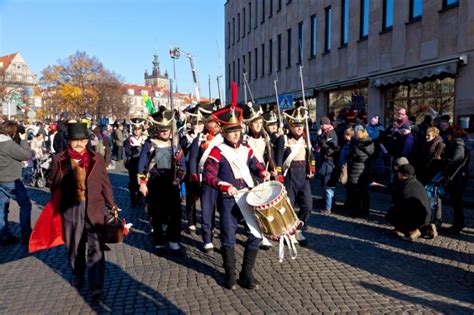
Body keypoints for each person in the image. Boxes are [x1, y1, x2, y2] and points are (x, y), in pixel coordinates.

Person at [202, 104, 269, 290]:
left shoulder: (246, 149)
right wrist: (223, 185)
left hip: (248, 197)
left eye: (238, 131)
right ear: (223, 132)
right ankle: (230, 274)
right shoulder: (217, 151)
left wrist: (263, 173)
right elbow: (208, 176)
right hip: (228, 199)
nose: (235, 135)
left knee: (255, 234)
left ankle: (246, 274)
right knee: (228, 237)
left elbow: (256, 165)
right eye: (231, 131)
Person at [48, 122, 117, 299]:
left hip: (94, 207)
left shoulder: (97, 158)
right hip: (71, 208)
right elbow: (52, 185)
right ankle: (78, 274)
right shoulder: (59, 159)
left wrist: (112, 204)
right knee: (75, 246)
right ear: (69, 141)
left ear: (87, 141)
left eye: (82, 140)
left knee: (96, 246)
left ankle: (96, 284)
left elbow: (105, 183)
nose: (79, 144)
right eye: (75, 140)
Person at [137, 110, 186, 252]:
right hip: (155, 182)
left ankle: (174, 240)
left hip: (172, 182)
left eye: (167, 130)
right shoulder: (150, 144)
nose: (165, 132)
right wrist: (142, 184)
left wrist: (178, 179)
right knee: (156, 212)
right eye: (162, 130)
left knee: (175, 213)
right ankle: (159, 239)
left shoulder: (175, 145)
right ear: (157, 130)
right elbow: (141, 166)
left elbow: (182, 166)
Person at [276, 105, 316, 245]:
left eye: (301, 126)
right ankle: (290, 232)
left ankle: (299, 227)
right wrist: (279, 174)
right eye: (296, 126)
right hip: (290, 174)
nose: (299, 128)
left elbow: (312, 156)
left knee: (308, 205)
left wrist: (312, 168)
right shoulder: (284, 139)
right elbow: (279, 158)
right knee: (290, 205)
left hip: (303, 174)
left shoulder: (307, 139)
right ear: (291, 126)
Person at [188, 103, 222, 252]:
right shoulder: (199, 139)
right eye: (210, 122)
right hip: (207, 179)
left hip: (223, 179)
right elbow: (193, 160)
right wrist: (194, 177)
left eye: (216, 122)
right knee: (207, 209)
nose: (213, 125)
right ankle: (207, 238)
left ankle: (223, 234)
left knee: (224, 210)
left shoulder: (223, 139)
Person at [243, 101, 275, 250]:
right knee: (252, 206)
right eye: (255, 122)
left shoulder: (265, 137)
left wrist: (274, 169)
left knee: (262, 205)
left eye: (260, 122)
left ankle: (263, 234)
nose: (258, 125)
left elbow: (269, 156)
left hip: (262, 172)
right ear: (249, 124)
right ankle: (256, 233)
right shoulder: (244, 139)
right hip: (249, 173)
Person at [0, 120, 33, 245]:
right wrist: (24, 140)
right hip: (12, 181)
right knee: (25, 205)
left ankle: (4, 235)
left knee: (1, 208)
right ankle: (26, 235)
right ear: (12, 132)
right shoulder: (8, 144)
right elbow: (26, 155)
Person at [386, 164, 434, 240]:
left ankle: (412, 231)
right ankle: (425, 229)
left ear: (402, 174)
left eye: (398, 173)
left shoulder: (406, 188)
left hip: (417, 219)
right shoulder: (416, 183)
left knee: (391, 213)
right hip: (426, 217)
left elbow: (400, 207)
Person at [443, 127, 470, 234]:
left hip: (458, 178)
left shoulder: (459, 145)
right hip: (458, 177)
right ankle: (457, 224)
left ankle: (458, 225)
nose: (447, 136)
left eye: (448, 134)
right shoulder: (458, 143)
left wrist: (445, 161)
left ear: (452, 135)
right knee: (456, 202)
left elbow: (456, 160)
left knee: (457, 202)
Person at [346, 128, 374, 218]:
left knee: (356, 192)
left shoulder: (356, 145)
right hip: (366, 170)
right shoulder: (371, 143)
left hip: (356, 169)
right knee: (365, 191)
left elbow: (351, 157)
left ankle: (356, 211)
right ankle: (365, 210)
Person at [316, 116, 339, 215]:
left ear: (326, 124)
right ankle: (329, 203)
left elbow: (329, 148)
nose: (321, 126)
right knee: (327, 184)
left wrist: (320, 138)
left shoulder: (330, 133)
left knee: (328, 185)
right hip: (327, 162)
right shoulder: (327, 132)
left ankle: (328, 207)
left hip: (329, 162)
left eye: (322, 124)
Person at [124, 118, 146, 208]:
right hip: (133, 164)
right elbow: (127, 152)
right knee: (133, 182)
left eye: (139, 129)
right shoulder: (129, 140)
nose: (137, 131)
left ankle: (140, 198)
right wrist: (132, 151)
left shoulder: (145, 139)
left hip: (142, 165)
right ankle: (133, 199)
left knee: (142, 181)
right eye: (135, 129)